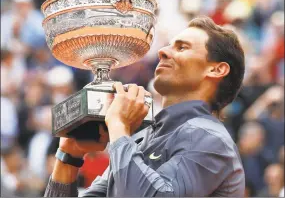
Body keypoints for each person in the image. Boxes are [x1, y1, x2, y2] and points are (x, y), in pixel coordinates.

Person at [44, 16, 245, 197]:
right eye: (168, 45)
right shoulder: (139, 139)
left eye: (182, 47)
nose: (162, 51)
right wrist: (68, 157)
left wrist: (119, 127)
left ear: (216, 69)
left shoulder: (209, 137)